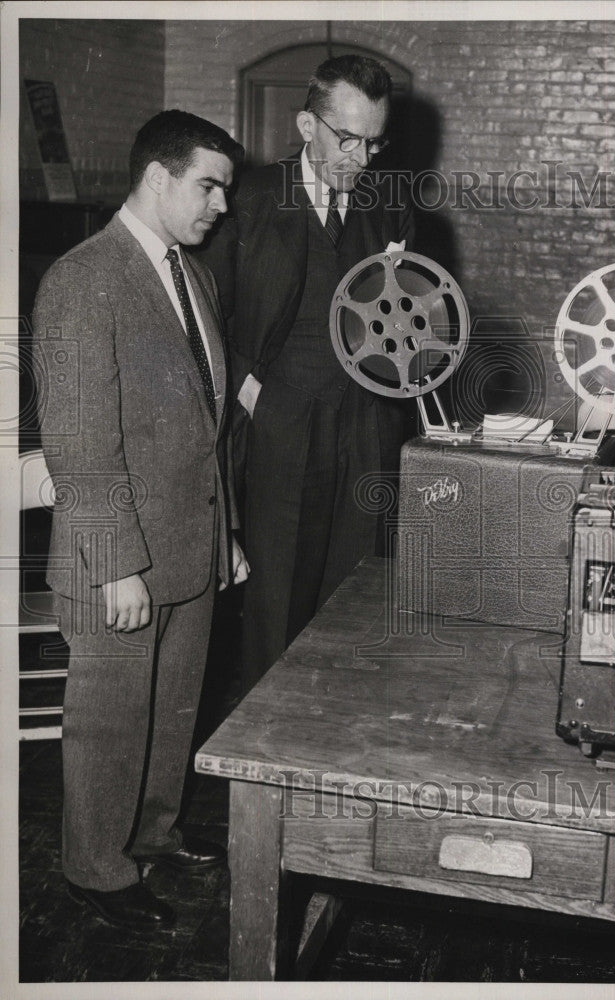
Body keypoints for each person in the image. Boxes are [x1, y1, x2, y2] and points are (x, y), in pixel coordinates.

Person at [32, 110, 249, 931]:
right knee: (111, 720)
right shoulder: (83, 279)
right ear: (157, 178)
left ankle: (154, 834)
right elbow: (80, 439)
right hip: (116, 557)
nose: (220, 205)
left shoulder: (192, 276)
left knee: (170, 708)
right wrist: (115, 561)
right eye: (209, 185)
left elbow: (205, 424)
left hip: (188, 544)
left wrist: (223, 531)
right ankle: (95, 868)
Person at [199, 54, 414, 689]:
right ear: (305, 125)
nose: (362, 158)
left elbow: (408, 319)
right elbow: (209, 317)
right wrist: (253, 395)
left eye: (374, 141)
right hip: (278, 430)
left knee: (352, 606)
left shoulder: (389, 204)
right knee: (275, 614)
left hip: (366, 429)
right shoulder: (247, 201)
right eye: (347, 138)